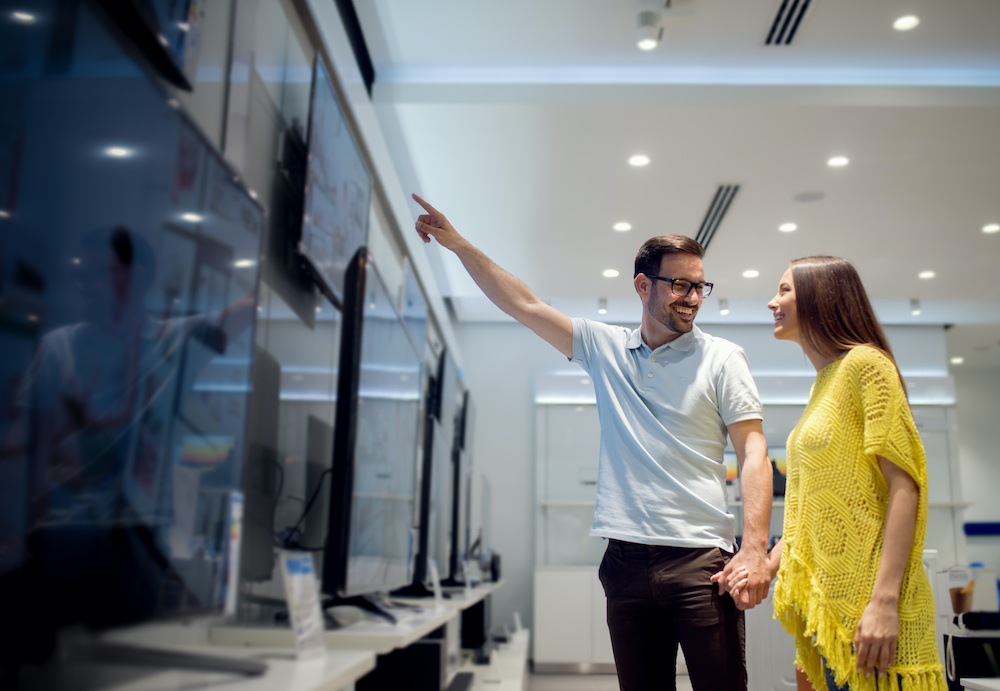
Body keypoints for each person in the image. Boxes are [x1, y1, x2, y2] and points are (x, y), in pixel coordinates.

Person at [412, 194, 773, 691]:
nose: (692, 297)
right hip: (624, 564)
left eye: (700, 286)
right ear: (643, 285)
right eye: (681, 285)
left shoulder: (723, 358)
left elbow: (753, 450)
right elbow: (523, 303)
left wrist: (753, 548)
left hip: (700, 563)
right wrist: (458, 246)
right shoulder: (605, 348)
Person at [718, 256, 947, 691]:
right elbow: (812, 513)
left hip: (869, 609)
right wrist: (763, 565)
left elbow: (905, 487)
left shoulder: (866, 365)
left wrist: (884, 602)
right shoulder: (824, 381)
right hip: (828, 610)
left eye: (784, 290)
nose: (773, 302)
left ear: (823, 296)